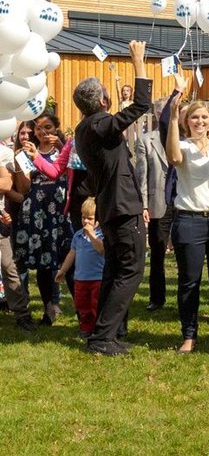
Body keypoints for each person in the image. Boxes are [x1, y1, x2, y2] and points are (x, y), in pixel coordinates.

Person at [73, 40, 151, 357]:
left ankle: (102, 337)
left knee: (115, 271)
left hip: (112, 206)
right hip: (121, 207)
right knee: (130, 271)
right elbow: (140, 106)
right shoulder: (100, 123)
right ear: (104, 100)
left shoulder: (83, 127)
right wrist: (138, 62)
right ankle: (104, 337)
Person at [165, 75, 209, 355]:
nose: (199, 122)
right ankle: (189, 335)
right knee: (189, 282)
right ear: (187, 122)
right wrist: (173, 117)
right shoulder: (182, 146)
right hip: (190, 221)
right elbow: (173, 158)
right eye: (194, 118)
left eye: (204, 117)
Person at [13, 115, 72, 325]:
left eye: (48, 127)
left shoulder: (64, 149)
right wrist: (20, 163)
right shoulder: (27, 153)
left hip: (60, 208)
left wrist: (64, 144)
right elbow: (24, 188)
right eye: (39, 129)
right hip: (37, 211)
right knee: (43, 262)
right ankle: (49, 310)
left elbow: (72, 170)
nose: (43, 132)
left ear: (56, 127)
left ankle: (83, 309)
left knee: (69, 256)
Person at [133, 100, 173, 312]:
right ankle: (157, 297)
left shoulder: (184, 138)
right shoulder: (146, 141)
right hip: (159, 202)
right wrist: (144, 205)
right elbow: (142, 176)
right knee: (158, 250)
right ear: (158, 114)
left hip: (183, 201)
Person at [55, 197, 106, 337]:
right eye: (84, 217)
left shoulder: (101, 235)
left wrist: (91, 233)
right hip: (80, 279)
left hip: (97, 278)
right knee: (82, 306)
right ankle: (85, 328)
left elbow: (101, 249)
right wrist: (63, 270)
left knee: (96, 305)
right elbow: (71, 255)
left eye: (90, 218)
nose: (86, 221)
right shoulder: (77, 236)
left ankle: (98, 330)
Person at [0, 144, 36, 332]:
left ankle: (22, 314)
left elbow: (7, 184)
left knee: (8, 266)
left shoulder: (4, 152)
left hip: (0, 219)